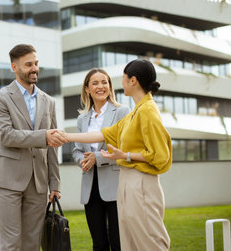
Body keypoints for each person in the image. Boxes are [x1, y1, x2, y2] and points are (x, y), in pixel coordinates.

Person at [60, 59, 172, 251]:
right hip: (129, 183)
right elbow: (104, 134)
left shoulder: (147, 111)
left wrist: (125, 155)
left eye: (123, 78)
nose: (119, 83)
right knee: (132, 243)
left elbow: (160, 156)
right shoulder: (136, 111)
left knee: (149, 242)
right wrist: (65, 136)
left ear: (133, 80)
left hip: (141, 183)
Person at [0, 44, 68, 251]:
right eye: (28, 65)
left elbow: (53, 146)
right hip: (8, 180)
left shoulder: (48, 101)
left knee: (33, 243)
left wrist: (55, 183)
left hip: (39, 182)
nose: (34, 69)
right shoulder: (0, 98)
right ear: (15, 67)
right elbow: (6, 136)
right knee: (12, 243)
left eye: (36, 63)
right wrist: (43, 136)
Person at [72, 68, 129, 251]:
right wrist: (83, 160)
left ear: (110, 86)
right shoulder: (82, 119)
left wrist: (97, 158)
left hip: (115, 185)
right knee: (98, 244)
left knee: (118, 242)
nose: (100, 86)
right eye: (95, 83)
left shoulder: (122, 112)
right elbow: (76, 150)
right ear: (87, 89)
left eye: (104, 82)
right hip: (90, 187)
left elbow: (124, 149)